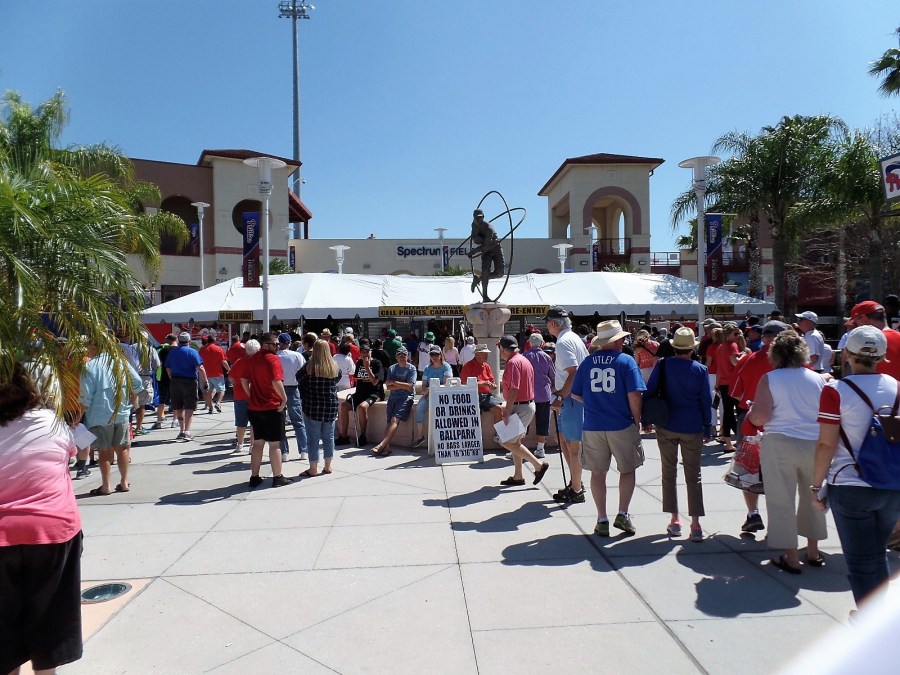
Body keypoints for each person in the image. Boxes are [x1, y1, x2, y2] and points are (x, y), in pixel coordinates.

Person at [0, 363, 84, 674]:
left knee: (3, 633)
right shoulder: (50, 421)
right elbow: (69, 453)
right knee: (49, 621)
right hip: (52, 530)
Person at [813, 325, 900, 606]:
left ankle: (868, 628)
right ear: (882, 356)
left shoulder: (836, 390)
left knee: (861, 561)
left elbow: (826, 444)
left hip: (850, 484)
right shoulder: (897, 388)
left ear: (847, 354)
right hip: (891, 484)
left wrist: (816, 486)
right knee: (878, 554)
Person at [747, 330, 827, 574]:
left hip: (780, 441)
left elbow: (761, 416)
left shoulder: (770, 378)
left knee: (781, 499)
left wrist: (751, 413)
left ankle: (791, 556)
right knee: (813, 496)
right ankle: (813, 550)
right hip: (813, 442)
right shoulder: (818, 379)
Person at [572, 320, 646, 536]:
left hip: (593, 425)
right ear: (616, 340)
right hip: (621, 423)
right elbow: (635, 395)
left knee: (597, 473)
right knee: (627, 469)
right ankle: (623, 514)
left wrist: (595, 403)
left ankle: (601, 518)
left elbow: (576, 394)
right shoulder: (626, 361)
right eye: (621, 338)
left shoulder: (587, 362)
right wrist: (636, 419)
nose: (624, 341)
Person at [644, 327, 711, 542]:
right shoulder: (700, 370)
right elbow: (705, 401)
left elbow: (650, 391)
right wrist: (708, 427)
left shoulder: (663, 365)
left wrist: (646, 420)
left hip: (667, 424)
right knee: (694, 476)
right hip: (692, 426)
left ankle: (674, 520)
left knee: (668, 472)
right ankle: (696, 524)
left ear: (674, 347)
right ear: (692, 348)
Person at [729, 320, 790, 533]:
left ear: (764, 337)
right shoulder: (797, 363)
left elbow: (736, 393)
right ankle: (778, 519)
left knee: (749, 470)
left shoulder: (749, 360)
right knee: (779, 474)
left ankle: (753, 514)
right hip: (783, 423)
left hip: (752, 422)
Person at [80, 338, 143, 495]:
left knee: (104, 451)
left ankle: (106, 485)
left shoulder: (90, 366)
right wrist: (131, 397)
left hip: (100, 414)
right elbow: (137, 382)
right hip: (121, 411)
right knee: (122, 448)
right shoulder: (120, 363)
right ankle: (124, 481)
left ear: (94, 347)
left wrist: (78, 415)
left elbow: (85, 396)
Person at [545, 306, 589, 504]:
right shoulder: (574, 338)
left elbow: (574, 371)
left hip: (571, 399)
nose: (546, 325)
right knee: (564, 441)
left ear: (553, 323)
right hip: (572, 398)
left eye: (547, 322)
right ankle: (575, 483)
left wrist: (561, 397)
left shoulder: (563, 342)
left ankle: (577, 488)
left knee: (572, 446)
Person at [495, 335, 549, 487]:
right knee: (516, 441)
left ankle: (538, 465)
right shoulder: (523, 359)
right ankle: (518, 476)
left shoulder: (513, 363)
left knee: (507, 441)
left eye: (500, 348)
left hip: (520, 406)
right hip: (526, 405)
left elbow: (514, 389)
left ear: (504, 349)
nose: (499, 351)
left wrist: (506, 411)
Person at [241, 332, 292, 489]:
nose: (278, 347)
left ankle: (254, 476)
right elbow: (276, 381)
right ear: (265, 345)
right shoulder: (272, 359)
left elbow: (243, 379)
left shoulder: (252, 359)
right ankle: (278, 477)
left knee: (257, 443)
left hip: (254, 407)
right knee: (275, 444)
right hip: (272, 406)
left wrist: (251, 395)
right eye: (275, 344)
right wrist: (284, 399)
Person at [298, 339, 342, 477]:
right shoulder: (334, 367)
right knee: (329, 437)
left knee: (313, 438)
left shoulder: (309, 367)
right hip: (330, 406)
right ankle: (328, 466)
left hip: (312, 406)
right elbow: (337, 379)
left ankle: (313, 468)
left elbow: (298, 377)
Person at [335, 343, 384, 447]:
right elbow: (357, 379)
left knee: (361, 407)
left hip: (374, 393)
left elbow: (375, 382)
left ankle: (363, 436)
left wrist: (367, 368)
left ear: (371, 352)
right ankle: (343, 436)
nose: (365, 354)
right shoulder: (359, 363)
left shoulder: (377, 363)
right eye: (363, 352)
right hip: (360, 393)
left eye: (367, 351)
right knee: (344, 406)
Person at [372, 347, 417, 457]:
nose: (402, 357)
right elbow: (388, 387)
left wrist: (395, 383)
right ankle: (387, 448)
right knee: (389, 421)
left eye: (404, 355)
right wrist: (402, 384)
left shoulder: (411, 369)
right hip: (393, 397)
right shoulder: (392, 368)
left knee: (395, 419)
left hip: (405, 397)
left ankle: (382, 444)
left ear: (407, 357)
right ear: (396, 357)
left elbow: (410, 388)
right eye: (400, 355)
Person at [844, 301, 900, 380]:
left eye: (856, 323)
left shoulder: (861, 342)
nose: (856, 327)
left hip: (870, 390)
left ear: (864, 318)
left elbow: (850, 375)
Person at [716, 322, 750, 453]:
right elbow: (735, 362)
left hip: (724, 383)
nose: (737, 335)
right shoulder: (733, 346)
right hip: (734, 382)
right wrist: (743, 355)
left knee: (728, 411)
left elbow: (719, 367)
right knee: (740, 410)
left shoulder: (720, 347)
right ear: (729, 334)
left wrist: (718, 383)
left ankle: (728, 441)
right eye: (735, 333)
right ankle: (739, 438)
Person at [413, 344, 453, 449]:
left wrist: (434, 389)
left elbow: (446, 383)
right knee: (419, 408)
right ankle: (420, 436)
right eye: (432, 355)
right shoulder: (427, 368)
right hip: (429, 396)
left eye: (436, 354)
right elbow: (424, 385)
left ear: (440, 355)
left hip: (443, 396)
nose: (434, 357)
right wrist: (426, 390)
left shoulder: (446, 367)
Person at [276, 332, 308, 463]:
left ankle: (284, 452)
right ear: (289, 343)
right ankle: (304, 450)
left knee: (280, 422)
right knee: (298, 422)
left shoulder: (275, 356)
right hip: (293, 388)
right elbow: (304, 372)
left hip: (278, 389)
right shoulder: (297, 356)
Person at [524, 332, 554, 459]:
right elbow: (553, 376)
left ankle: (520, 447)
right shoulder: (547, 357)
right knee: (543, 422)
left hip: (527, 394)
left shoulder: (524, 356)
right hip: (543, 394)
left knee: (524, 422)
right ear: (542, 343)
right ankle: (540, 448)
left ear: (530, 343)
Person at [460, 343, 504, 425]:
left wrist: (493, 386)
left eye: (487, 354)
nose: (486, 356)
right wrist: (483, 383)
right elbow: (465, 383)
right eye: (484, 354)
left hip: (486, 396)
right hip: (472, 396)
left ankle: (498, 435)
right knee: (474, 415)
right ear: (477, 354)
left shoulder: (486, 366)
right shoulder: (467, 366)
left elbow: (492, 383)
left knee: (499, 409)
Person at [228, 339, 259, 452]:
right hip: (255, 396)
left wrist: (236, 382)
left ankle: (240, 444)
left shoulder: (239, 362)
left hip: (240, 396)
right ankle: (252, 445)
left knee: (240, 422)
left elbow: (230, 377)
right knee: (254, 423)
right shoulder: (258, 363)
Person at [467, 208, 505, 298]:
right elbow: (473, 236)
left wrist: (474, 251)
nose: (478, 220)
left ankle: (478, 279)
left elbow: (485, 245)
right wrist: (475, 239)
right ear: (473, 218)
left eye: (480, 218)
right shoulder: (473, 225)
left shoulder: (489, 228)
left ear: (483, 217)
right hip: (486, 251)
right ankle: (485, 296)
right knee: (485, 272)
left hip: (495, 249)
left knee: (500, 273)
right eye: (476, 218)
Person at [153, 333, 177, 430]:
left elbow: (159, 363)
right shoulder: (178, 350)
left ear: (168, 340)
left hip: (163, 377)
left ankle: (159, 420)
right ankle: (175, 420)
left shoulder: (163, 350)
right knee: (176, 399)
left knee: (162, 400)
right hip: (176, 377)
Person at [199, 335, 229, 414]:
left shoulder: (202, 350)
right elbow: (223, 362)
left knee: (209, 391)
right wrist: (229, 370)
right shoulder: (219, 349)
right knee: (221, 390)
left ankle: (210, 408)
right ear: (214, 340)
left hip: (206, 374)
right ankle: (218, 403)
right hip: (217, 373)